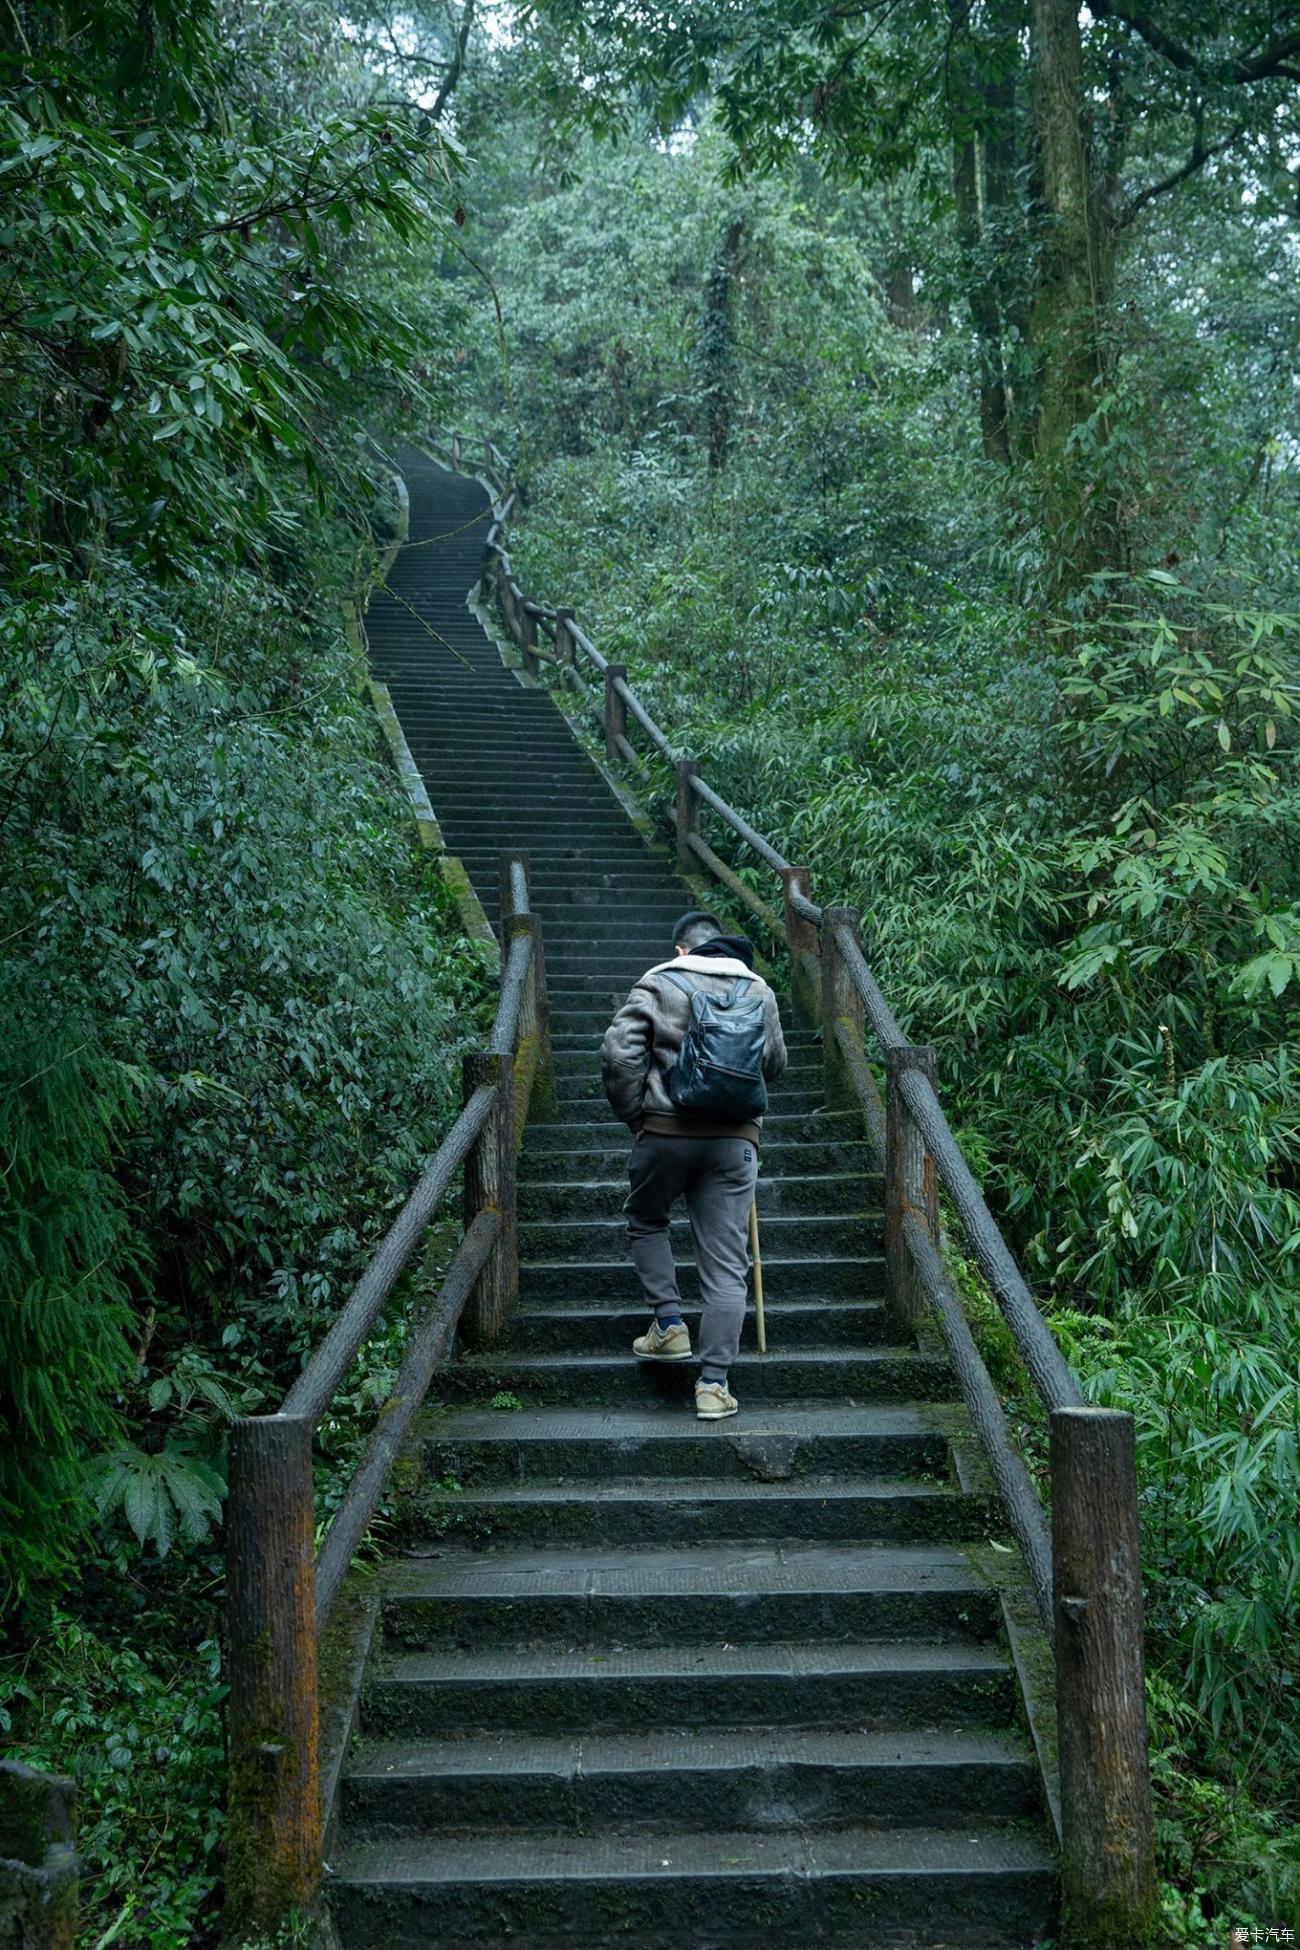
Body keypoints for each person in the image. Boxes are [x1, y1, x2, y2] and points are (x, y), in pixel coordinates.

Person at [600, 909, 788, 1420]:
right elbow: (774, 1064)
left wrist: (637, 1117)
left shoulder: (658, 982)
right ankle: (713, 1385)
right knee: (728, 1264)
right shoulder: (759, 991)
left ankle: (668, 1325)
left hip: (665, 1132)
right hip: (735, 1141)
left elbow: (619, 1057)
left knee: (646, 1219)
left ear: (683, 948)